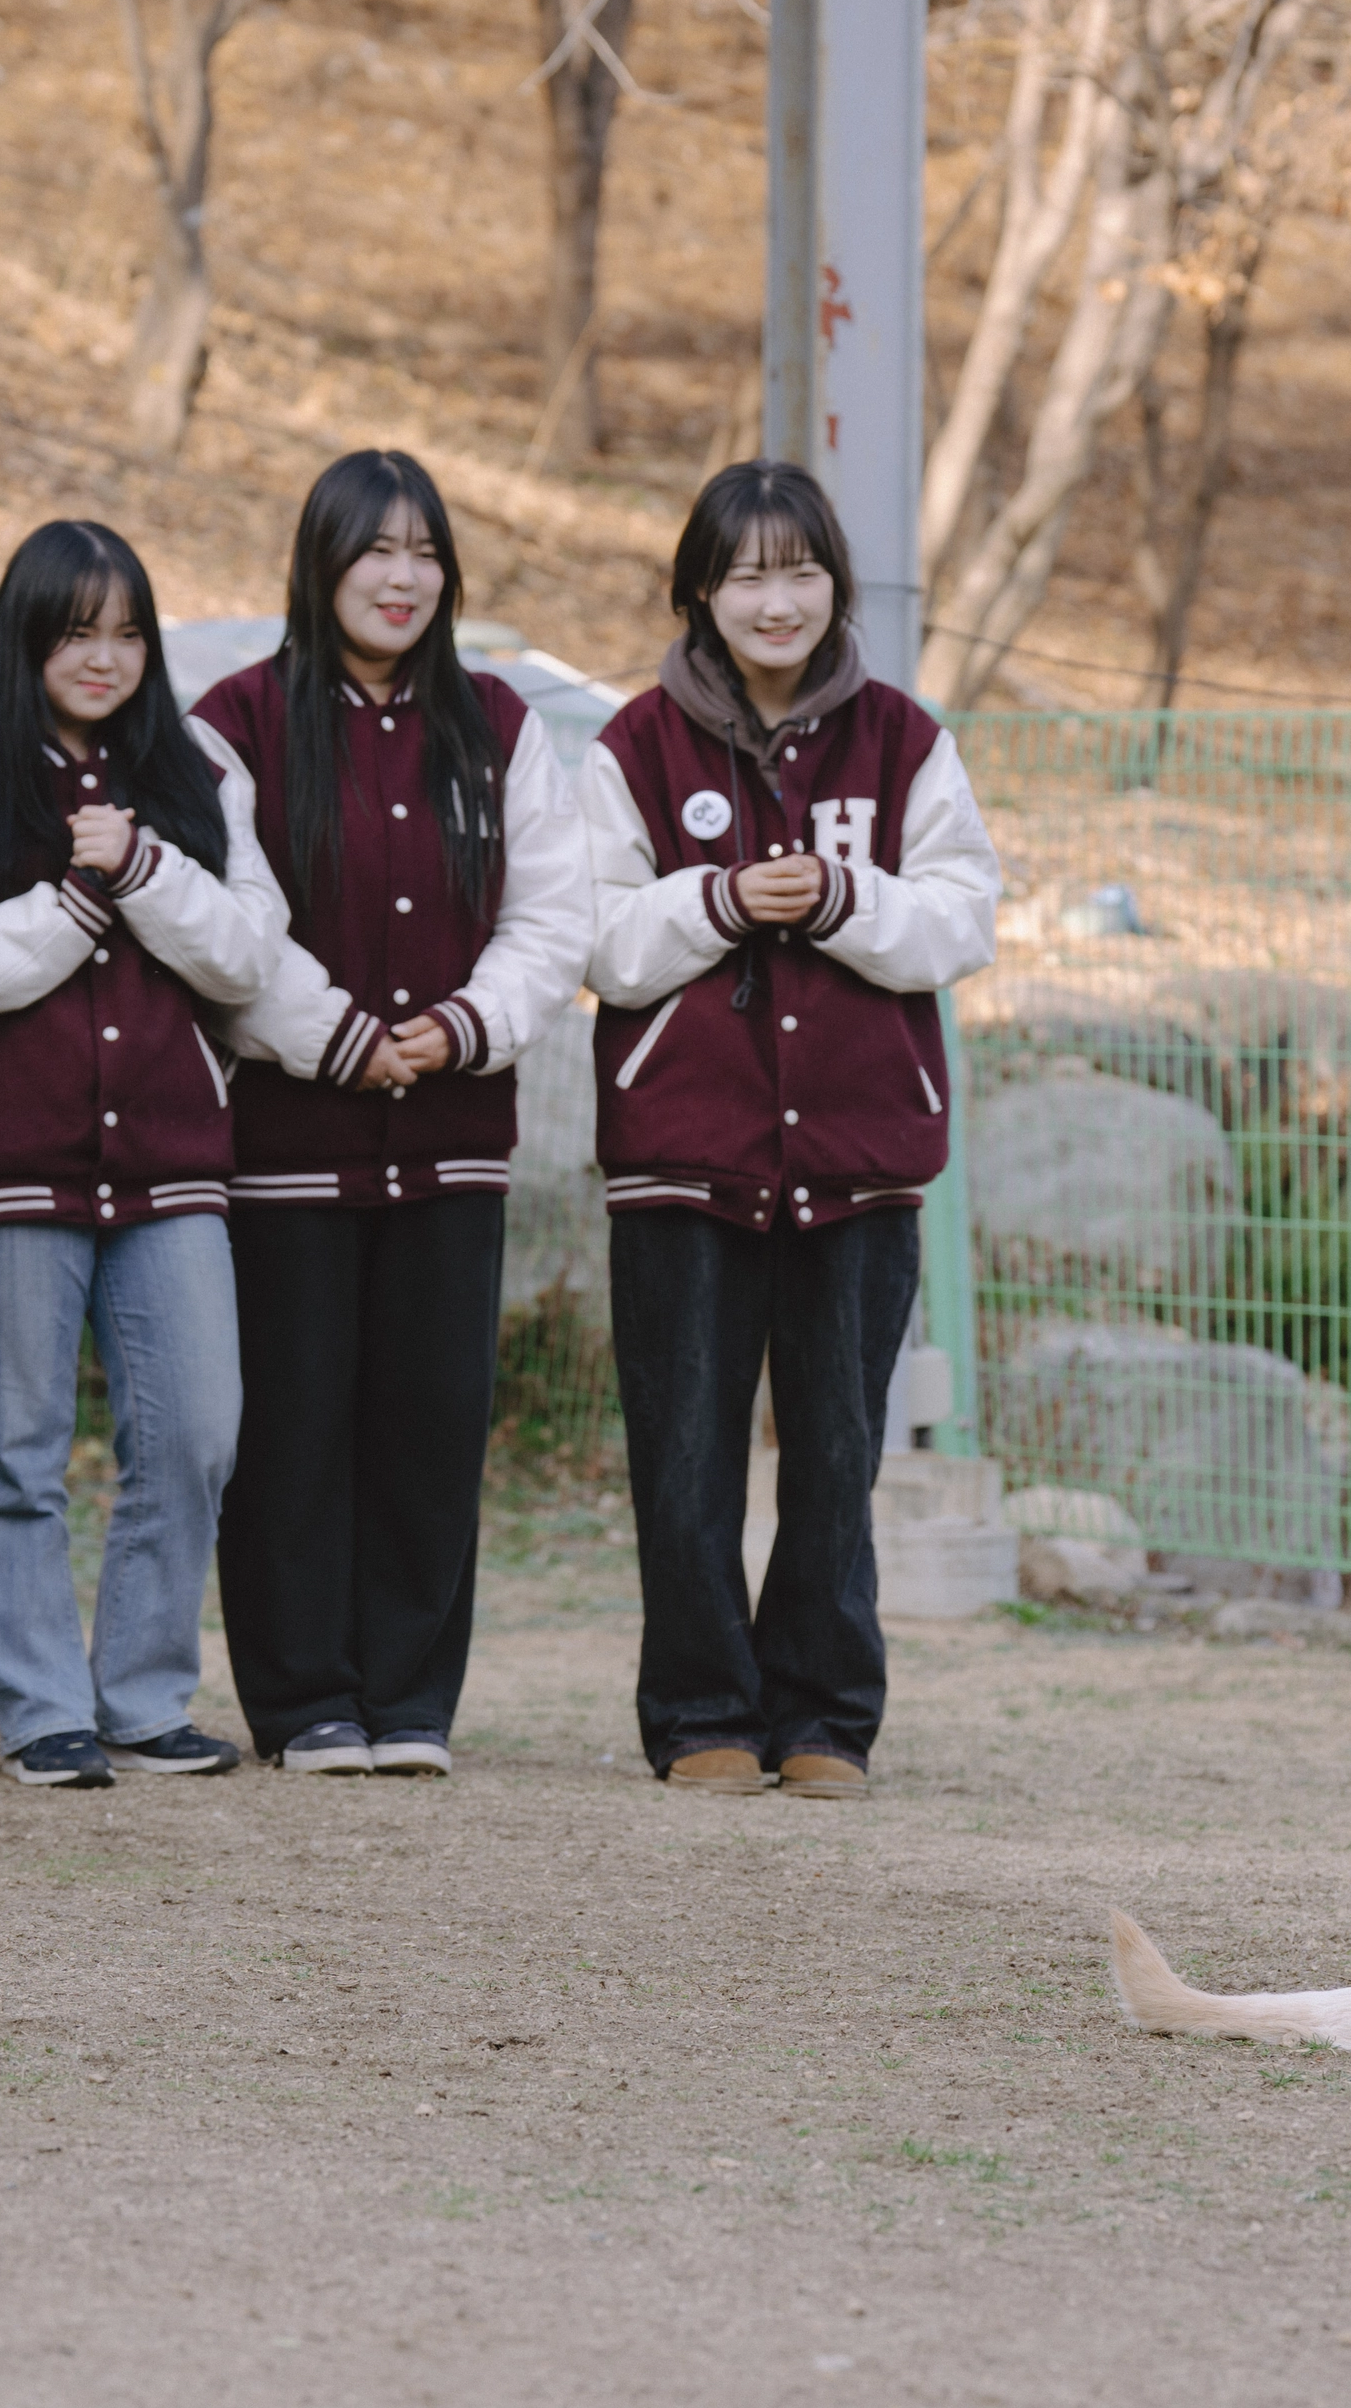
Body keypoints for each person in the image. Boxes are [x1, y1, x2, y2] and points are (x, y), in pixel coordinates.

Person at [579, 460, 999, 1800]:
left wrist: (835, 895)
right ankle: (700, 1709)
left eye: (802, 570)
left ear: (835, 585)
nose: (779, 599)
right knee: (687, 1446)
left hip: (862, 1156)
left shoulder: (903, 739)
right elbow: (597, 937)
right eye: (750, 572)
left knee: (837, 1451)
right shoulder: (633, 745)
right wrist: (716, 899)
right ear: (700, 588)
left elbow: (962, 915)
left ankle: (826, 1716)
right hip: (680, 1150)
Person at [0, 522, 283, 1787]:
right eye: (75, 630)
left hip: (172, 1159)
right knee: (17, 1444)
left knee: (199, 1431)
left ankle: (145, 1699)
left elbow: (251, 952)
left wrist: (144, 865)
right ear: (24, 637)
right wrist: (68, 902)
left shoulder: (199, 771)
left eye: (126, 631)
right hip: (5, 1160)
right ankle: (44, 1707)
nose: (104, 657)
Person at [191, 450, 591, 1776]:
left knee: (429, 1421)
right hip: (291, 1143)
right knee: (294, 1425)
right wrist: (344, 1038)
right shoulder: (236, 720)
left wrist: (460, 1028)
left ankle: (411, 1698)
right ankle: (306, 1699)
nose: (402, 575)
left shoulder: (501, 722)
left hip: (456, 1136)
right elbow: (229, 925)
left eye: (424, 551)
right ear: (321, 563)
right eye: (374, 549)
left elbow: (550, 917)